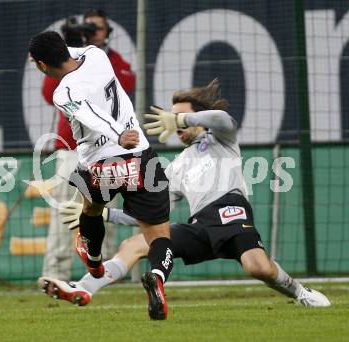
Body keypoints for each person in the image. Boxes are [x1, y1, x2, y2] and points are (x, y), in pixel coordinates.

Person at [38, 79, 331, 309]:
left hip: (230, 212)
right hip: (199, 225)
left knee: (257, 267)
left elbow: (223, 119)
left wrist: (180, 120)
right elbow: (148, 215)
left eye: (180, 118)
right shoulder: (174, 167)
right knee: (136, 244)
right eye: (171, 117)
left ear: (197, 119)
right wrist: (104, 214)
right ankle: (83, 288)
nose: (173, 123)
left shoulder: (220, 139)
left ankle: (300, 292)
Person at [29, 31, 174, 320]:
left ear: (43, 66)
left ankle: (94, 262)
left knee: (91, 208)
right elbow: (69, 53)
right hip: (140, 157)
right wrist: (123, 134)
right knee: (159, 237)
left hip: (100, 163)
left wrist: (118, 135)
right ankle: (156, 277)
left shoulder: (63, 92)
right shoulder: (97, 54)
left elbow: (90, 114)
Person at [40, 10, 135, 282]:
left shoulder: (108, 59)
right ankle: (54, 275)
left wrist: (90, 48)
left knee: (103, 212)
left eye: (98, 28)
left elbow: (127, 83)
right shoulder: (68, 62)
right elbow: (48, 95)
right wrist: (67, 49)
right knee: (63, 213)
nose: (92, 32)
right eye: (88, 28)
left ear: (108, 33)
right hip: (71, 148)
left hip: (107, 149)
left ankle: (102, 276)